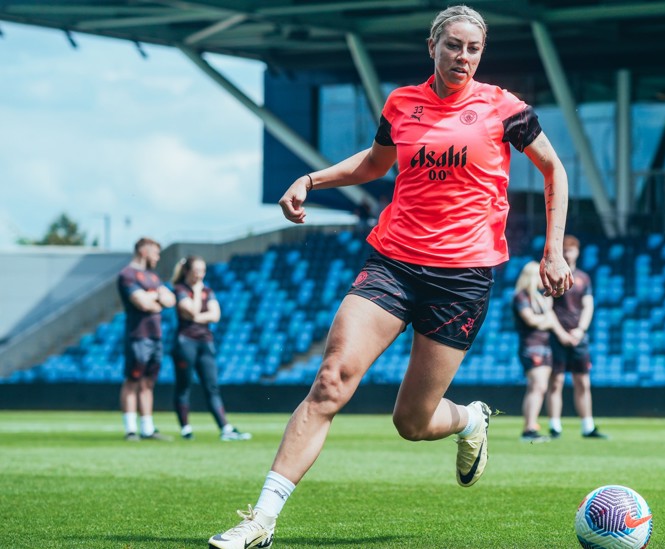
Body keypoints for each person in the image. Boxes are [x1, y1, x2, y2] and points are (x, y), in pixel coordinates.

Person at [208, 6, 573, 548]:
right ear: (433, 46)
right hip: (393, 262)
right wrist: (311, 179)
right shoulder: (402, 103)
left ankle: (470, 421)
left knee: (411, 421)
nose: (463, 57)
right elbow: (376, 164)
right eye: (453, 45)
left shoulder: (505, 108)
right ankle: (261, 520)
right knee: (331, 380)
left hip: (462, 278)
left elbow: (553, 169)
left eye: (473, 48)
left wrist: (553, 250)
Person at [171, 256, 251, 442]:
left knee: (212, 386)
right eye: (197, 270)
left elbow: (215, 316)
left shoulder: (209, 290)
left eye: (203, 270)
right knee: (184, 386)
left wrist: (197, 314)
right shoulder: (181, 290)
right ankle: (186, 428)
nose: (200, 274)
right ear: (187, 271)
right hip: (185, 342)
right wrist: (197, 293)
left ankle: (225, 428)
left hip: (205, 342)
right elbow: (191, 311)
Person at [546, 235, 608, 440]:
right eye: (564, 249)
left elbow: (588, 305)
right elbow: (547, 308)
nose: (567, 253)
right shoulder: (552, 275)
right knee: (556, 382)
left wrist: (580, 330)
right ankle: (555, 426)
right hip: (558, 335)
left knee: (583, 382)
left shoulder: (584, 278)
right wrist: (561, 333)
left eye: (570, 249)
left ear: (577, 252)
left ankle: (587, 426)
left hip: (578, 335)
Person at [117, 237, 175, 441]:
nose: (158, 257)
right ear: (144, 251)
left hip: (155, 335)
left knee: (148, 383)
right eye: (155, 253)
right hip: (138, 335)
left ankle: (148, 429)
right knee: (132, 380)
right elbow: (142, 303)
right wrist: (157, 297)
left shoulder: (153, 276)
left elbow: (171, 299)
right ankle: (131, 429)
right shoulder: (127, 275)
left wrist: (154, 297)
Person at [512, 261, 572, 443]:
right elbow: (531, 320)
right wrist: (546, 320)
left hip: (545, 347)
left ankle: (531, 426)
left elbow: (548, 321)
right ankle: (529, 428)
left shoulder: (541, 298)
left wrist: (551, 324)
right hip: (532, 347)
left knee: (539, 387)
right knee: (538, 386)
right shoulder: (521, 297)